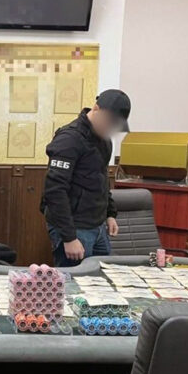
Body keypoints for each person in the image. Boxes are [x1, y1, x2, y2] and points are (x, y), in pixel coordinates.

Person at [40, 90, 131, 267]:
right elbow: (54, 191)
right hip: (74, 228)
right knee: (73, 281)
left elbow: (101, 179)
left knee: (102, 278)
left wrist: (110, 214)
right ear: (96, 109)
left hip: (98, 226)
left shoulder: (104, 140)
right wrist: (69, 238)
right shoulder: (69, 139)